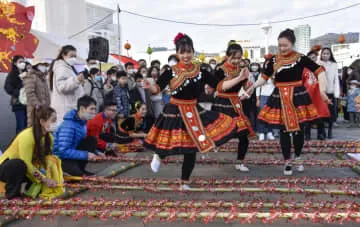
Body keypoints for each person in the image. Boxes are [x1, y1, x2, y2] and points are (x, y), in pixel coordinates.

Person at [143, 33, 239, 189]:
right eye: (182, 52)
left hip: (194, 111)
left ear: (193, 52)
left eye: (189, 52)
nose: (186, 55)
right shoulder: (170, 71)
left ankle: (184, 181)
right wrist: (150, 84)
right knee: (169, 143)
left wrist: (239, 78)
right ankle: (159, 156)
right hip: (174, 111)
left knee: (191, 149)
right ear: (177, 53)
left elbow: (220, 86)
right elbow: (157, 89)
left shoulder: (201, 71)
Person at [247, 29, 329, 176]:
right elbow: (264, 77)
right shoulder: (273, 60)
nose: (282, 48)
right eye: (280, 45)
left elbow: (320, 71)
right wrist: (252, 87)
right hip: (280, 97)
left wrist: (322, 90)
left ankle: (297, 156)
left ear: (292, 44)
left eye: (285, 45)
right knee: (284, 131)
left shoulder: (301, 58)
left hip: (298, 97)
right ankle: (287, 161)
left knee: (299, 130)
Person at [0, 106, 64, 199]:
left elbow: (46, 160)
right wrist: (44, 179)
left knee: (51, 160)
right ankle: (12, 194)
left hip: (26, 169)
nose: (56, 123)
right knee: (18, 164)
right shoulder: (27, 136)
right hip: (7, 168)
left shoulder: (49, 137)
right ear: (42, 122)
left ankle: (29, 189)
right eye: (53, 120)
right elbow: (26, 162)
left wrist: (58, 174)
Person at [212, 43, 254, 172]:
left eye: (239, 58)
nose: (236, 61)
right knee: (218, 132)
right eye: (233, 58)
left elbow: (248, 87)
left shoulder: (242, 70)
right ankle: (212, 144)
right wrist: (240, 78)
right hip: (221, 102)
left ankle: (240, 162)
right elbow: (220, 87)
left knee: (243, 134)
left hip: (235, 103)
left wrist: (248, 88)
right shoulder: (220, 69)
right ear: (227, 56)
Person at [53, 96, 103, 176]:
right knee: (76, 175)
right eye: (91, 109)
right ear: (82, 109)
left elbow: (81, 143)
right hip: (61, 158)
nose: (94, 112)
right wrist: (86, 155)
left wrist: (96, 152)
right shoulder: (69, 125)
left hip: (72, 153)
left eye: (95, 109)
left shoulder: (82, 122)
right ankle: (66, 170)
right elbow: (62, 151)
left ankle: (81, 169)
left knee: (91, 140)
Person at [49, 45, 85, 126]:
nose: (73, 58)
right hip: (66, 108)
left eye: (75, 56)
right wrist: (77, 80)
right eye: (71, 56)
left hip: (69, 107)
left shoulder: (68, 67)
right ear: (63, 55)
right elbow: (62, 87)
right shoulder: (61, 68)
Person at [303, 49, 330, 140]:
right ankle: (307, 135)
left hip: (319, 95)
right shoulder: (304, 69)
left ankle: (321, 134)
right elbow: (301, 82)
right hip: (308, 95)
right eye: (310, 57)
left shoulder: (321, 68)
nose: (312, 59)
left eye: (313, 57)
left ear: (316, 58)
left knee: (320, 114)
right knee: (307, 115)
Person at [318, 47, 340, 139]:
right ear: (321, 55)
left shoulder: (334, 65)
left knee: (331, 114)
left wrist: (336, 93)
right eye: (324, 53)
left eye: (327, 53)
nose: (325, 55)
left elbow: (336, 79)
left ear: (330, 55)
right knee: (321, 114)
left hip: (331, 92)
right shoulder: (318, 64)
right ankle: (322, 132)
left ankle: (330, 131)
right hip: (321, 93)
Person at [23, 59, 51, 127]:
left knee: (43, 129)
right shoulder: (31, 76)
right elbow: (29, 93)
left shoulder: (43, 77)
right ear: (36, 66)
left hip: (44, 109)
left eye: (45, 65)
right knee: (34, 128)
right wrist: (37, 105)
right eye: (42, 64)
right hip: (35, 109)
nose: (44, 66)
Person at [4, 55, 27, 134]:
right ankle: (18, 144)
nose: (23, 63)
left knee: (27, 126)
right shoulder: (12, 75)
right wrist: (19, 91)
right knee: (21, 126)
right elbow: (8, 88)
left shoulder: (26, 73)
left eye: (23, 61)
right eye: (20, 62)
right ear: (14, 63)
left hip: (28, 104)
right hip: (18, 104)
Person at [256, 62, 275, 141]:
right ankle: (261, 133)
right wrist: (257, 99)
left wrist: (273, 77)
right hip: (263, 96)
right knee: (262, 115)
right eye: (266, 64)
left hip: (272, 96)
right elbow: (257, 87)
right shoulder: (261, 75)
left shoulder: (275, 74)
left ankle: (269, 132)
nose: (268, 65)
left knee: (270, 116)